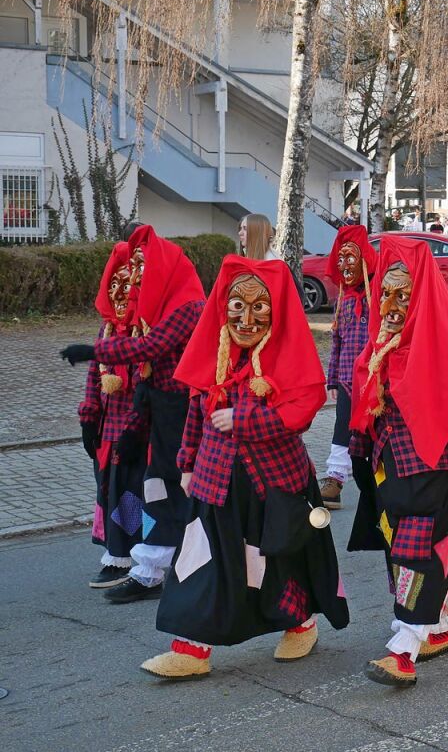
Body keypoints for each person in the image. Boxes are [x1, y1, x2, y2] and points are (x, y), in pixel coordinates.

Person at [141, 255, 349, 679]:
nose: (247, 318)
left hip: (273, 485)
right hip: (214, 482)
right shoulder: (217, 354)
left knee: (277, 562)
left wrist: (244, 419)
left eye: (259, 308)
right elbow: (197, 409)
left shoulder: (286, 352)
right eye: (238, 306)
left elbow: (302, 410)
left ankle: (300, 623)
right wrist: (186, 463)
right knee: (198, 562)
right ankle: (190, 649)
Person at [347, 235, 448, 687]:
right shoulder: (382, 343)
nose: (391, 305)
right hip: (394, 474)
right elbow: (367, 410)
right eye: (385, 294)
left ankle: (404, 649)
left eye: (403, 296)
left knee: (418, 557)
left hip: (440, 473)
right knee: (407, 556)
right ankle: (441, 629)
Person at [66, 226, 208, 603]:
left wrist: (96, 351)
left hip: (183, 410)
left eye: (145, 267)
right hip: (161, 405)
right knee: (160, 487)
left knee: (181, 487)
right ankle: (151, 569)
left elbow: (154, 345)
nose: (138, 277)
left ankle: (184, 566)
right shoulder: (157, 305)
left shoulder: (188, 305)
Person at [62, 242, 148, 590]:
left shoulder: (145, 331)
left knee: (134, 494)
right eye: (115, 286)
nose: (120, 294)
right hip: (108, 429)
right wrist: (88, 415)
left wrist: (135, 429)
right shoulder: (107, 329)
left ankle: (136, 557)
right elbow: (94, 374)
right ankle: (116, 554)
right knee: (109, 490)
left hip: (138, 431)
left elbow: (147, 385)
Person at [320, 226, 378, 511]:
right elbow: (337, 340)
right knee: (342, 425)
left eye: (350, 259)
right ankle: (335, 478)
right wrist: (331, 379)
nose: (344, 266)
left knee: (378, 429)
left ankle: (383, 479)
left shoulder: (379, 294)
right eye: (340, 260)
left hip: (376, 378)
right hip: (346, 379)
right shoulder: (343, 299)